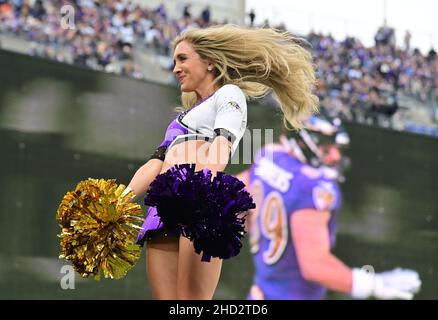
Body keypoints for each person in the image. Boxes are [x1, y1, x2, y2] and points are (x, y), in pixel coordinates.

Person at [123, 24, 319, 299]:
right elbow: (156, 163)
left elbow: (222, 145)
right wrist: (119, 201)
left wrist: (200, 189)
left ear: (210, 63)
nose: (176, 68)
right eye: (174, 61)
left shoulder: (229, 95)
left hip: (199, 201)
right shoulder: (184, 117)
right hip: (163, 205)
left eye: (183, 59)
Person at [236, 115, 422, 300]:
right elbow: (314, 267)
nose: (336, 155)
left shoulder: (270, 157)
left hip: (260, 293)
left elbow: (230, 198)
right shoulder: (315, 187)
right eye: (327, 147)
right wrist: (373, 284)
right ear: (302, 143)